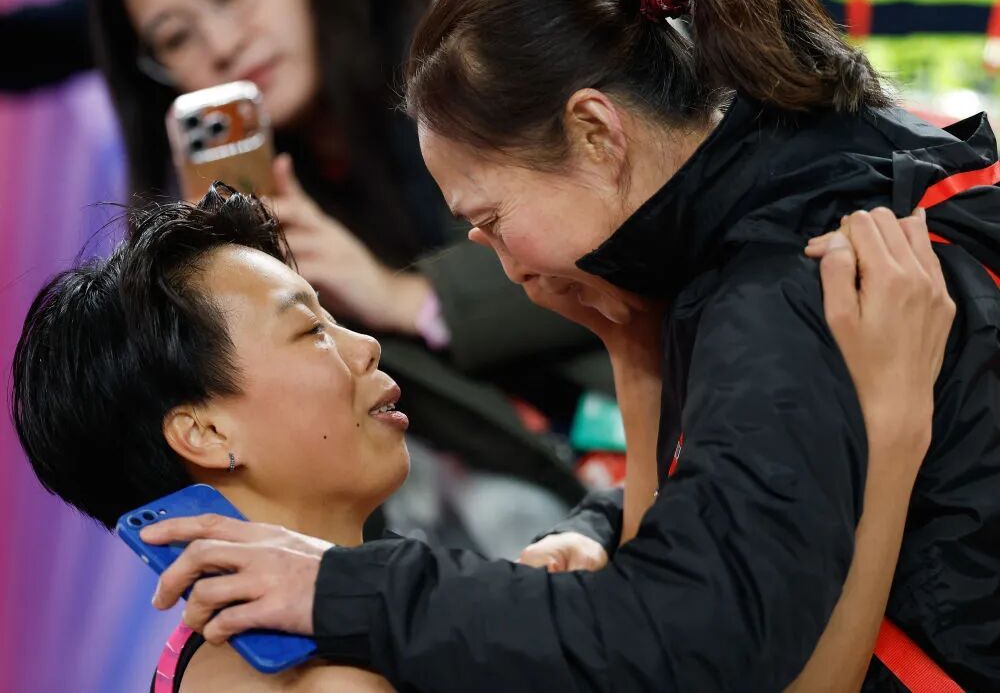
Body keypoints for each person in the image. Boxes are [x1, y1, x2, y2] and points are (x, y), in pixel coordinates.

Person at [140, 0, 998, 690]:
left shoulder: (785, 276)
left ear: (595, 131)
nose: (491, 255)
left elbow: (697, 634)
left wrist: (343, 589)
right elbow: (754, 493)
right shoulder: (811, 181)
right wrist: (601, 522)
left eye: (490, 216)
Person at [11, 185, 938, 691]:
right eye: (309, 330)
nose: (365, 343)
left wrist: (633, 370)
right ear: (205, 430)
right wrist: (893, 430)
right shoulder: (325, 682)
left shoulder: (249, 654)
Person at [92, 0, 603, 554]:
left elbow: (612, 230)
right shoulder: (251, 251)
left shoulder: (471, 41)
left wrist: (402, 297)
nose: (223, 45)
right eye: (176, 38)